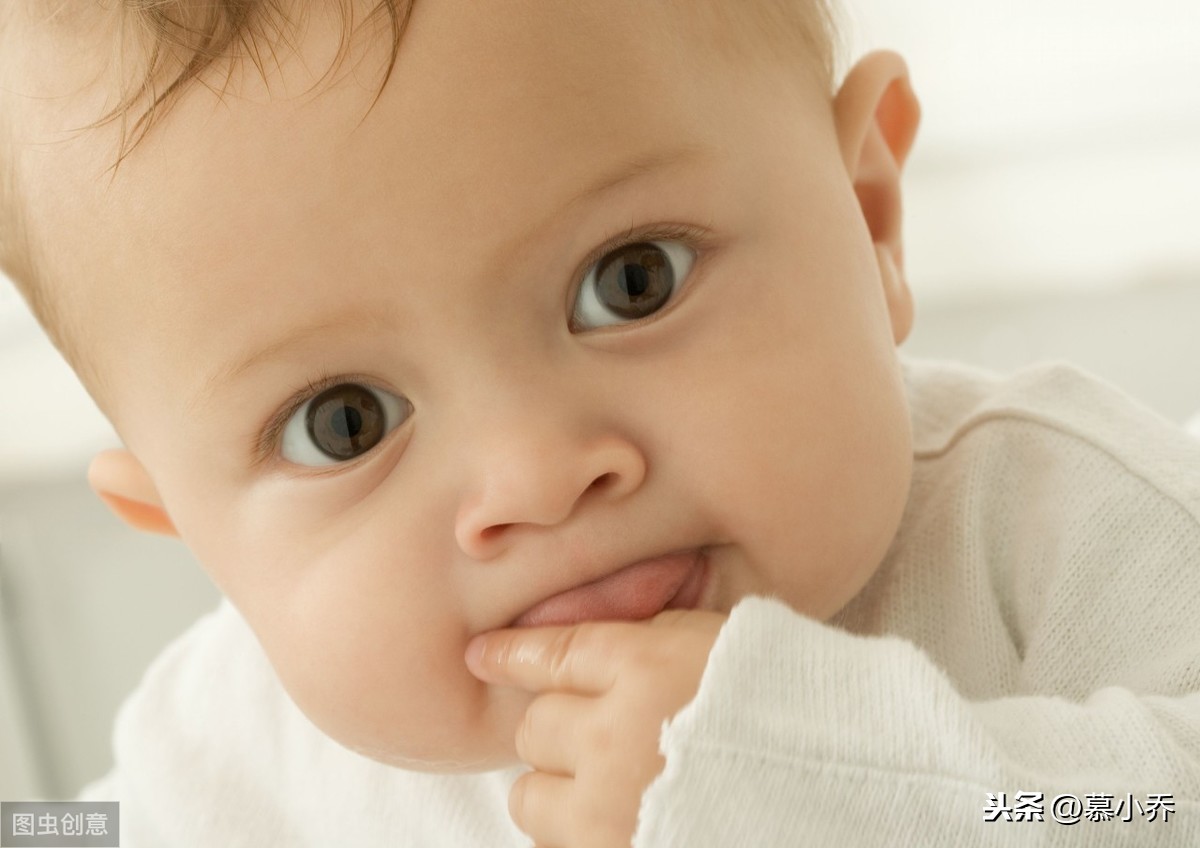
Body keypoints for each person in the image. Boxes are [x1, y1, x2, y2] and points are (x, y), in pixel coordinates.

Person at [2, 0, 1198, 844]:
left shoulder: (1054, 530)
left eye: (632, 280)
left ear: (869, 216)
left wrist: (843, 781)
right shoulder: (230, 745)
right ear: (195, 530)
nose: (535, 475)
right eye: (345, 421)